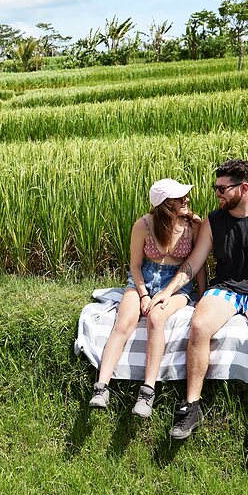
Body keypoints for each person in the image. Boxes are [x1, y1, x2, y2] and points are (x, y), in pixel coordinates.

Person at [160, 159, 248, 459]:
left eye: (222, 189)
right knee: (198, 325)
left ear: (243, 188)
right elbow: (194, 263)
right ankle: (191, 406)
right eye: (215, 188)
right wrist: (168, 292)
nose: (216, 193)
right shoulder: (213, 222)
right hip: (226, 289)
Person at [89, 178, 206, 418]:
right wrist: (142, 293)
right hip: (143, 279)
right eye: (180, 197)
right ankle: (101, 387)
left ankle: (148, 390)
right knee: (124, 322)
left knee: (156, 318)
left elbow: (198, 265)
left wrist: (202, 295)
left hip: (177, 286)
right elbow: (134, 265)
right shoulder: (143, 225)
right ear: (165, 204)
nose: (187, 199)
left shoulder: (192, 226)